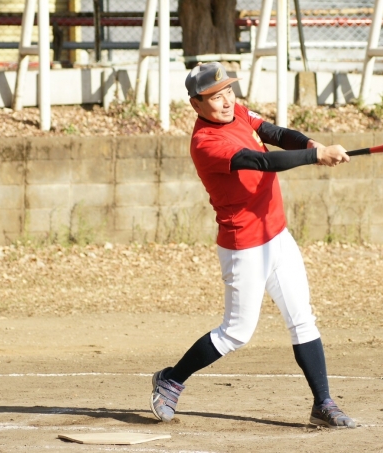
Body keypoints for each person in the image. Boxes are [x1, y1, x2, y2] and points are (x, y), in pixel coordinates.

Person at [150, 62, 355, 429]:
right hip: (243, 246)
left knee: (302, 318)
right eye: (215, 97)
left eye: (229, 91)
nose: (226, 101)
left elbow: (275, 133)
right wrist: (315, 157)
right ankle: (171, 379)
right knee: (236, 332)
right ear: (196, 104)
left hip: (277, 235)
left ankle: (323, 403)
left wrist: (311, 144)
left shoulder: (237, 112)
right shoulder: (205, 142)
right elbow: (260, 160)